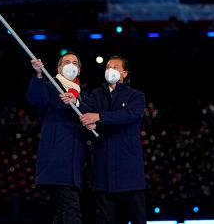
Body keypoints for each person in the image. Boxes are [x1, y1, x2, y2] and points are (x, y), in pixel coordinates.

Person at [77, 56, 147, 224]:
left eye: (116, 66)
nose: (111, 69)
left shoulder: (136, 96)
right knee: (104, 217)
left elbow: (129, 115)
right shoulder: (96, 94)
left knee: (137, 216)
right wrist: (77, 102)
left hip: (129, 170)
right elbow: (87, 113)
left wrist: (99, 118)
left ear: (124, 74)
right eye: (108, 66)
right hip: (103, 168)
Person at [27, 52, 88, 224]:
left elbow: (89, 112)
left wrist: (76, 102)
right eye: (66, 62)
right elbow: (34, 99)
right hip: (57, 158)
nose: (71, 65)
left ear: (79, 69)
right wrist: (38, 74)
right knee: (71, 207)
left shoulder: (82, 93)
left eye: (74, 62)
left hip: (75, 161)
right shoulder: (49, 86)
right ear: (59, 68)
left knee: (64, 210)